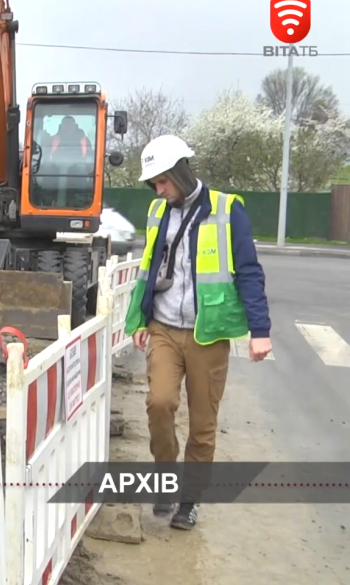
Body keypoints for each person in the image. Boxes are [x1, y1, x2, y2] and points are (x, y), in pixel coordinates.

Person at [123, 134, 272, 531]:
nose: (159, 190)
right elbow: (148, 270)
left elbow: (250, 271)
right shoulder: (159, 211)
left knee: (203, 423)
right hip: (165, 328)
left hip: (208, 333)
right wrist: (139, 318)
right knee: (159, 403)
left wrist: (260, 329)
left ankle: (189, 500)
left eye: (163, 181)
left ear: (181, 172)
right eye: (154, 184)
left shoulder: (227, 210)